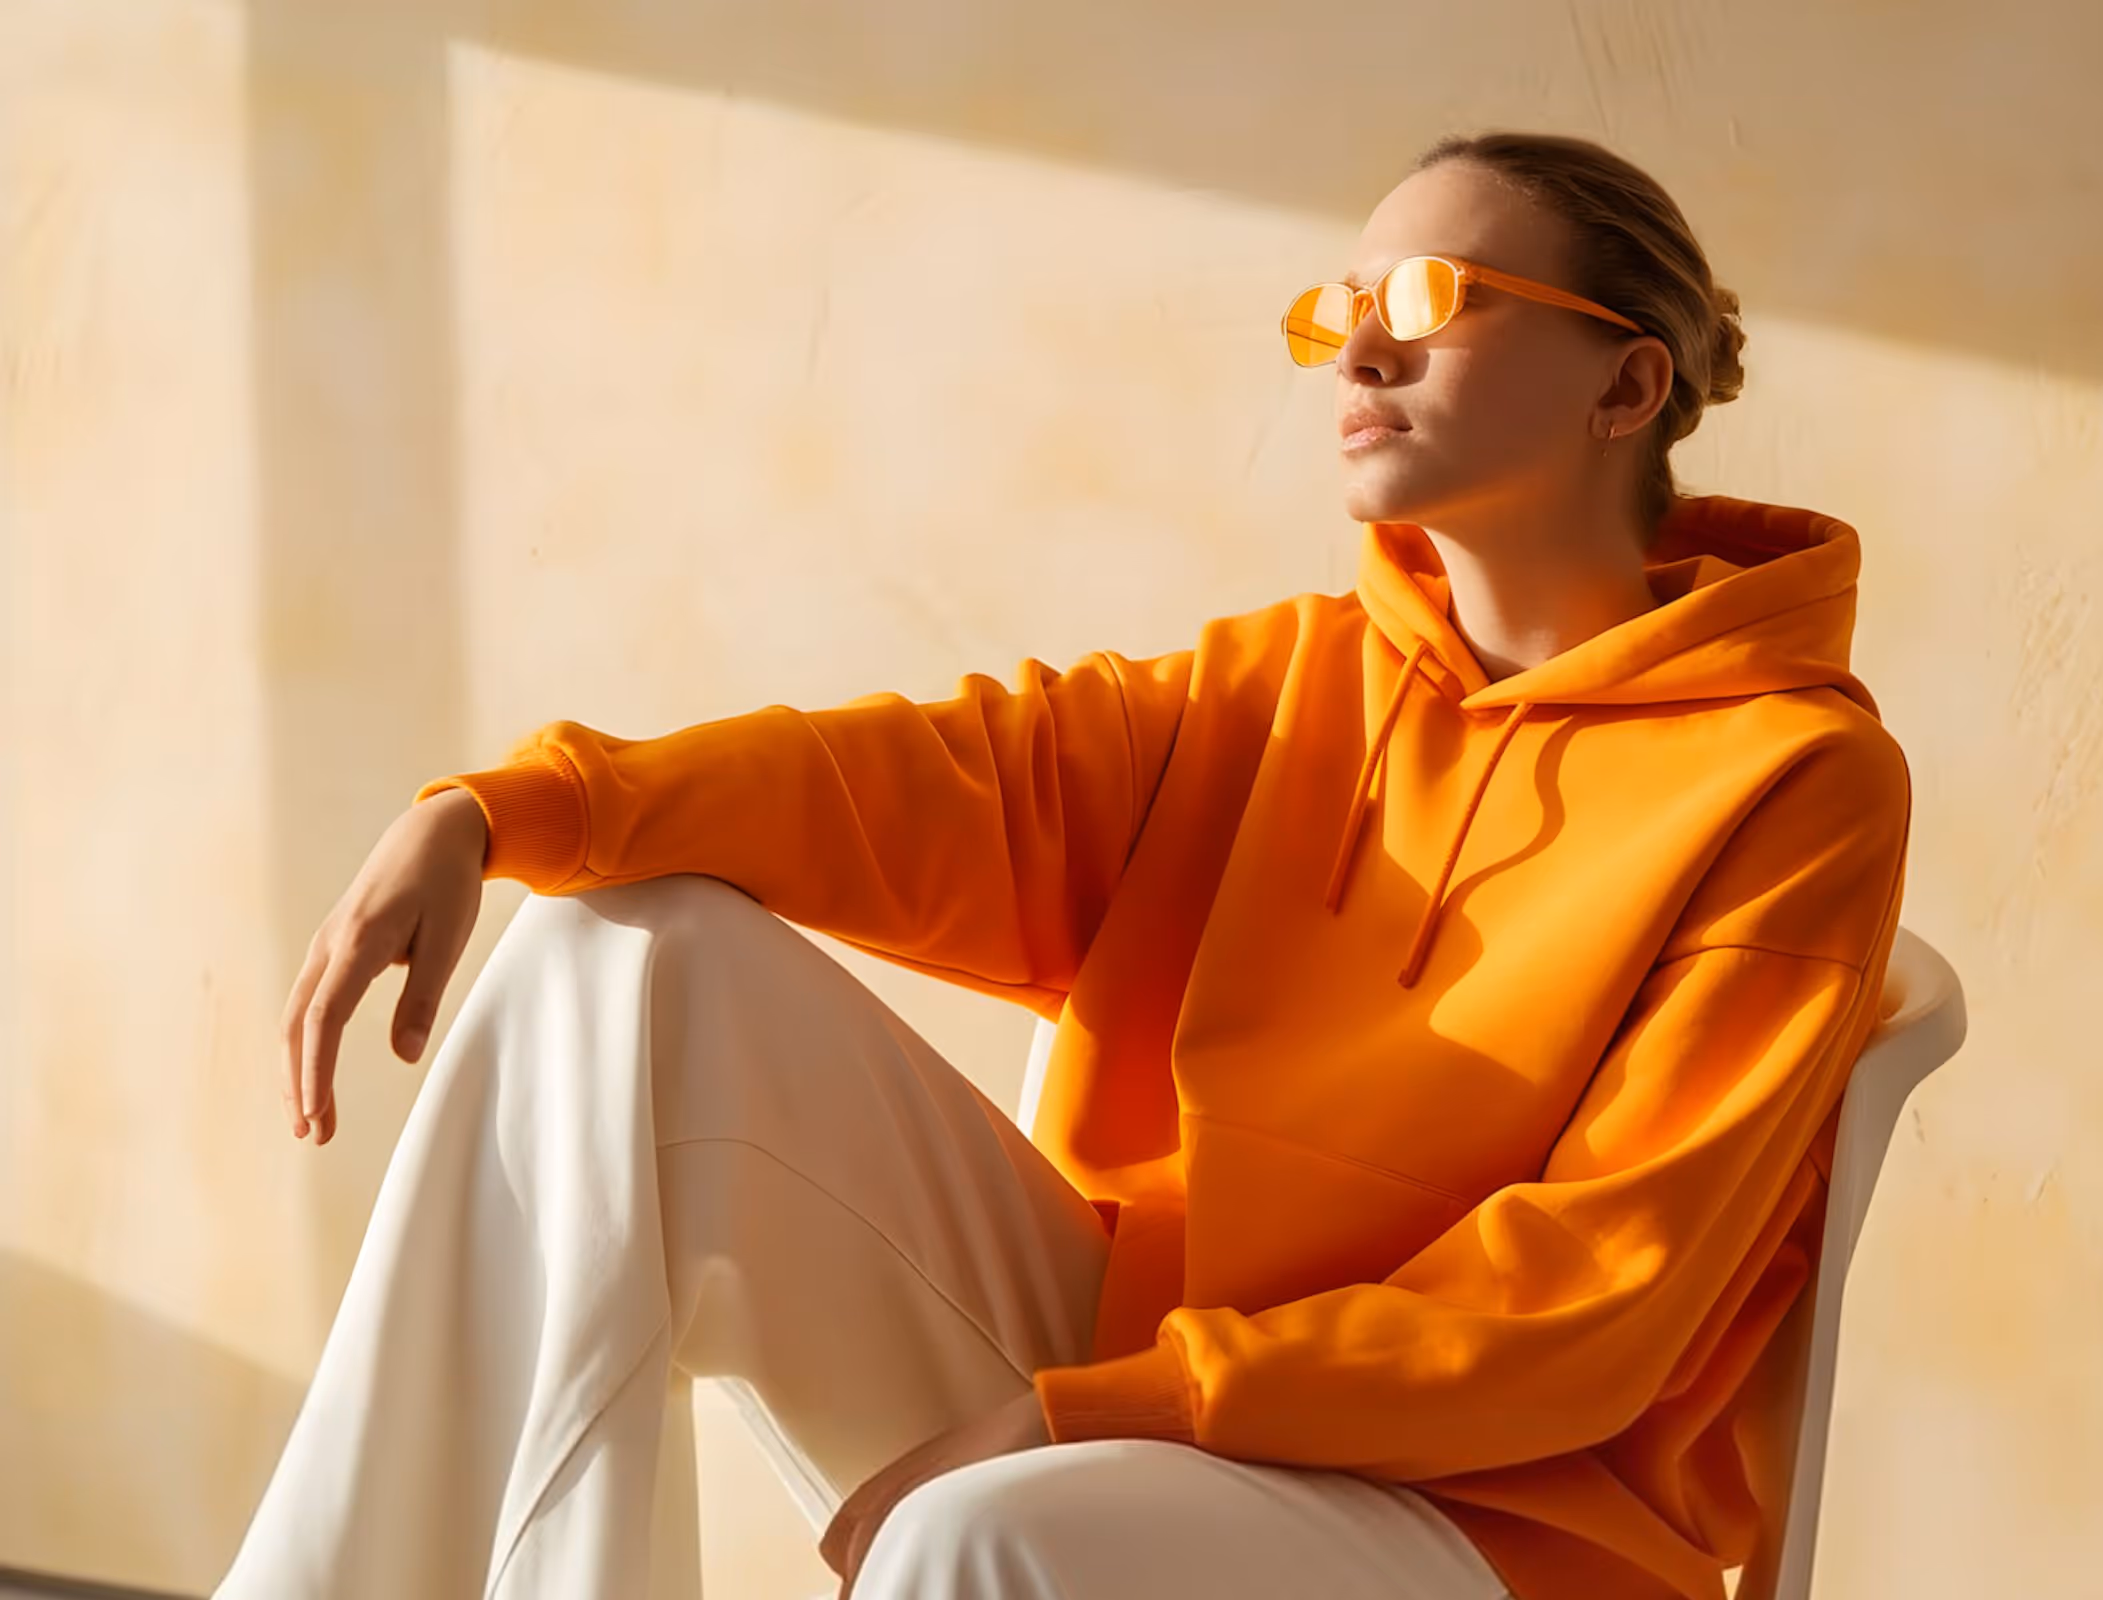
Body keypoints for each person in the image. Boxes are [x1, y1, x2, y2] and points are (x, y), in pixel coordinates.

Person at [216, 128, 1911, 1600]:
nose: (1358, 352)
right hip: (1145, 1368)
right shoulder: (1289, 683)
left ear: (1627, 386)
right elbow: (930, 776)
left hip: (1497, 1523)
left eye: (1428, 300)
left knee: (978, 1541)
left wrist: (1074, 1414)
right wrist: (501, 810)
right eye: (1339, 309)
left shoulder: (1790, 780)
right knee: (620, 959)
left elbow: (1588, 1309)